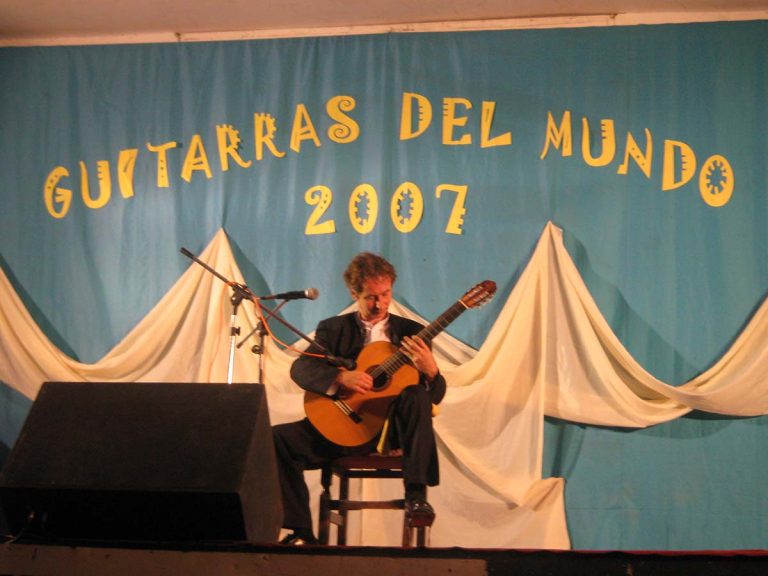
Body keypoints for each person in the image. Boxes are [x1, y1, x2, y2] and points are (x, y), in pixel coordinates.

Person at [273, 252, 446, 545]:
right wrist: (340, 378)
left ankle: (415, 498)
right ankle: (300, 532)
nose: (379, 303)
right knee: (277, 440)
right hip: (340, 427)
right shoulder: (333, 328)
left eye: (385, 294)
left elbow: (433, 399)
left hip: (387, 432)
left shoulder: (412, 334)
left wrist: (432, 373)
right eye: (369, 297)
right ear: (354, 293)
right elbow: (301, 368)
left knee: (416, 393)